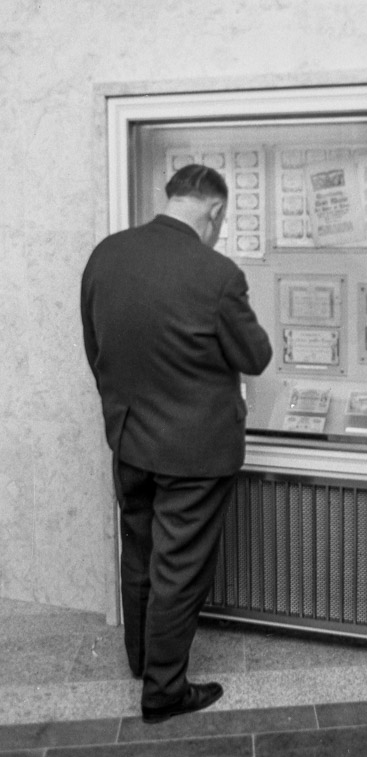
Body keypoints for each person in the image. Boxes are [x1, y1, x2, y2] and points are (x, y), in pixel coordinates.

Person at [81, 164, 272, 723]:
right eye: (222, 220)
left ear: (171, 199)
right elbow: (254, 357)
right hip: (194, 451)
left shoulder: (106, 255)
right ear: (214, 211)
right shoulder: (216, 274)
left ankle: (141, 659)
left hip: (130, 438)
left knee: (139, 553)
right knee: (180, 570)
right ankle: (164, 692)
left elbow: (96, 348)